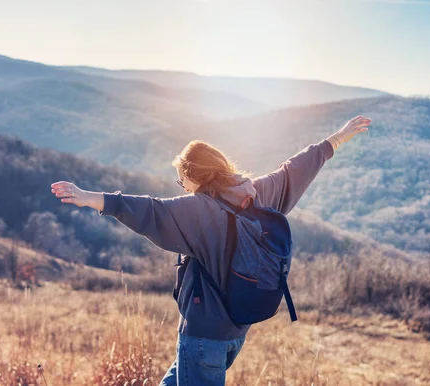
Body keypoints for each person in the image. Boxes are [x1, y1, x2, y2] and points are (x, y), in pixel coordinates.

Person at [51, 115, 371, 385]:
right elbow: (294, 171)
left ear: (193, 175)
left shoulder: (199, 212)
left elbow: (149, 211)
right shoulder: (255, 193)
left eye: (182, 180)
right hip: (235, 332)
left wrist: (88, 196)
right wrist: (336, 139)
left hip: (204, 336)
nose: (182, 187)